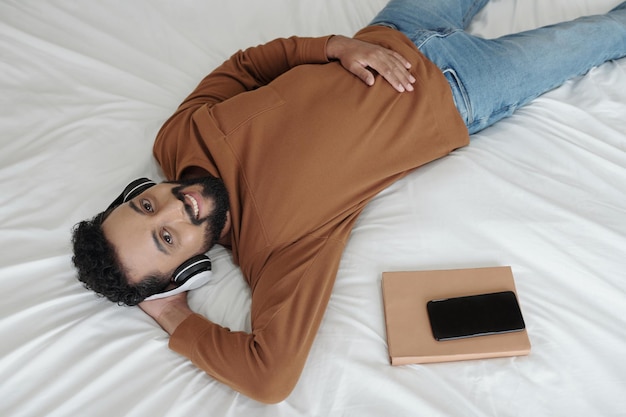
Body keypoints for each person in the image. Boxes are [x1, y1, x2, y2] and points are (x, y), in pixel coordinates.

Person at [71, 0, 626, 404]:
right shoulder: (280, 250)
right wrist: (175, 318)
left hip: (391, 30)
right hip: (463, 88)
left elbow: (245, 67)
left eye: (145, 207)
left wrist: (335, 47)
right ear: (187, 270)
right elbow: (270, 377)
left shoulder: (175, 139)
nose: (174, 206)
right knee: (607, 34)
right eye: (168, 238)